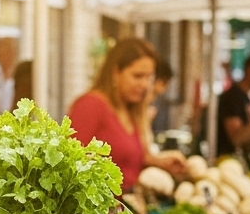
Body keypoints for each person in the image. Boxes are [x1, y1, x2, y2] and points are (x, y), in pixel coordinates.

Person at [67, 38, 186, 192]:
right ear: (116, 73)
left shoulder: (130, 110)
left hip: (127, 207)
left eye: (149, 77)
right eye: (138, 76)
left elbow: (126, 162)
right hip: (101, 211)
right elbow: (71, 163)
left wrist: (159, 162)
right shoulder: (90, 105)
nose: (144, 85)